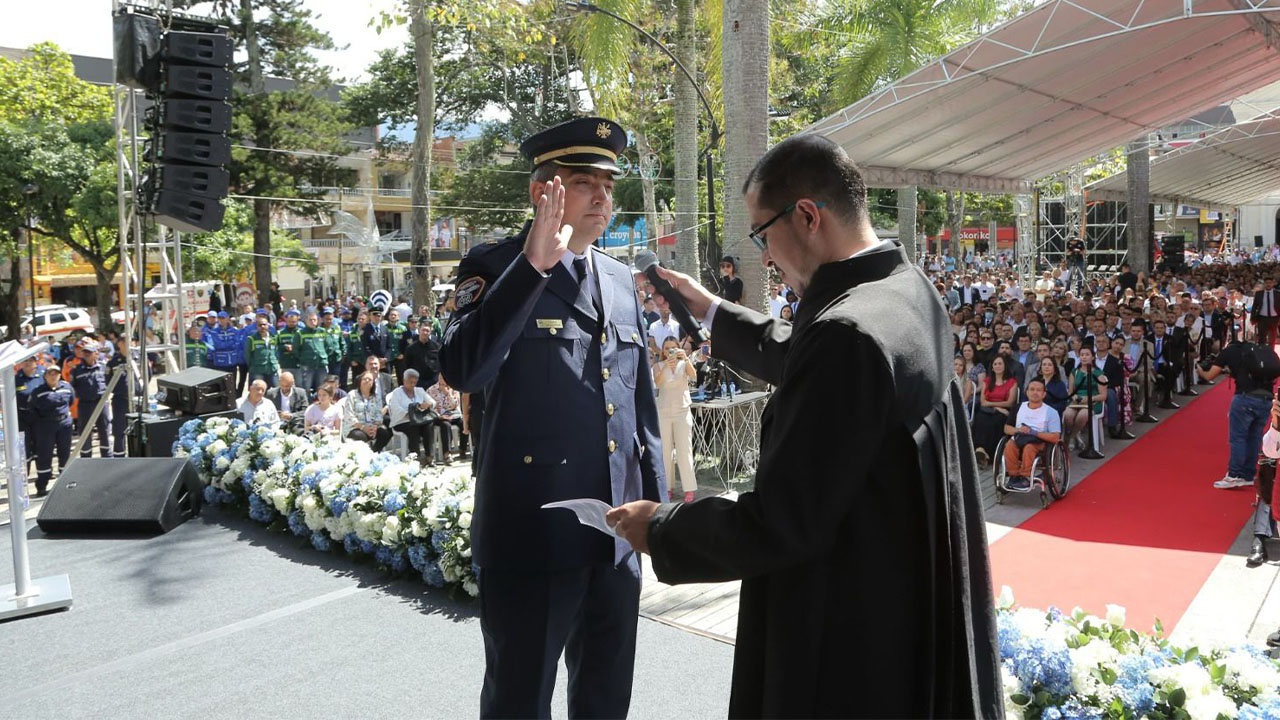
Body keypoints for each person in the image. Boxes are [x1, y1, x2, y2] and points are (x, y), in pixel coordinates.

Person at [606, 134, 999, 717]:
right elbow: (812, 360)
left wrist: (661, 527)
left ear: (808, 215)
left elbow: (782, 523)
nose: (763, 255)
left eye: (763, 234)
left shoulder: (847, 337)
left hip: (850, 634)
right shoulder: (905, 290)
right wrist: (711, 309)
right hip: (910, 604)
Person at [440, 116, 665, 719]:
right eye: (586, 180)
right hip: (532, 534)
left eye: (608, 183)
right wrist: (533, 270)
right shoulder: (493, 266)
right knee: (520, 699)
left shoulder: (618, 279)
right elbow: (464, 368)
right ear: (544, 192)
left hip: (615, 534)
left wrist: (657, 514)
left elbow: (639, 407)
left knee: (605, 698)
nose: (603, 196)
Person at [1196, 340, 1278, 490]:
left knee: (1238, 437)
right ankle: (1248, 474)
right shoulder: (1256, 351)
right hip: (1266, 398)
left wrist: (1199, 369)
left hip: (1245, 398)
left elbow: (1209, 376)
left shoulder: (1229, 351)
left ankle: (1234, 474)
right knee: (1254, 437)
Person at [652, 336, 698, 502]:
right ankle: (667, 487)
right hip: (664, 411)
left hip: (682, 411)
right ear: (663, 350)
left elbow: (693, 375)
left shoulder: (684, 363)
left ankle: (689, 489)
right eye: (666, 348)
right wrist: (665, 367)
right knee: (665, 452)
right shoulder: (658, 365)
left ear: (678, 348)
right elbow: (657, 383)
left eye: (673, 347)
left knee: (684, 450)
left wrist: (685, 359)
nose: (669, 351)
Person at [1001, 378, 1064, 491]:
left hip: (1039, 442)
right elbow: (1006, 428)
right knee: (1010, 445)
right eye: (1032, 389)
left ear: (1044, 394)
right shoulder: (1018, 407)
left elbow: (1055, 437)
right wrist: (1018, 430)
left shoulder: (1051, 412)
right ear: (1027, 392)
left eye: (1038, 390)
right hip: (1020, 437)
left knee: (1029, 448)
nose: (1035, 392)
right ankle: (1014, 476)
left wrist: (1034, 432)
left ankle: (1025, 477)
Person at [29, 365, 73, 497]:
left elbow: (70, 401)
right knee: (44, 455)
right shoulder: (38, 391)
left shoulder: (67, 387)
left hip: (64, 424)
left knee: (65, 453)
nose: (53, 376)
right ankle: (42, 485)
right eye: (50, 374)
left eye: (56, 373)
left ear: (60, 375)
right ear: (45, 376)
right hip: (45, 425)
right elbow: (32, 409)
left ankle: (65, 483)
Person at [972, 354, 1018, 466]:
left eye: (1000, 363)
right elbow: (983, 402)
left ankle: (988, 453)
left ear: (1004, 366)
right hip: (987, 409)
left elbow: (1010, 402)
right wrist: (997, 407)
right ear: (992, 367)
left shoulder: (1012, 382)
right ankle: (981, 450)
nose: (997, 366)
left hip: (1005, 411)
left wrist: (992, 404)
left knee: (996, 421)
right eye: (995, 364)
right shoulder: (987, 381)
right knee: (980, 419)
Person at [69, 339, 111, 459]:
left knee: (104, 430)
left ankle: (107, 457)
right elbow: (72, 388)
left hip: (101, 403)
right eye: (85, 352)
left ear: (96, 353)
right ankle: (86, 458)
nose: (87, 354)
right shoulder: (76, 370)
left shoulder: (103, 366)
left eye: (89, 352)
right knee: (85, 433)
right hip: (84, 404)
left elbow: (110, 381)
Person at [387, 368, 436, 467]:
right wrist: (410, 413)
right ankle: (415, 457)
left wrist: (427, 405)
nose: (413, 385)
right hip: (402, 420)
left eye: (415, 382)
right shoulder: (397, 392)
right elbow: (396, 409)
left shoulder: (419, 390)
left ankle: (429, 456)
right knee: (413, 427)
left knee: (428, 425)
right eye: (410, 382)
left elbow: (433, 402)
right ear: (404, 381)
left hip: (419, 419)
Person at [1063, 345, 1109, 450]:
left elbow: (1103, 395)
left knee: (1083, 415)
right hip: (1077, 400)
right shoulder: (1074, 372)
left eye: (1087, 355)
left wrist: (1089, 398)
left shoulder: (1098, 374)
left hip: (1093, 401)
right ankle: (1076, 434)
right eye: (1082, 355)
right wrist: (1074, 396)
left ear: (1092, 357)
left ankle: (1071, 437)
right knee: (1067, 415)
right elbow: (1070, 390)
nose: (1084, 357)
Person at [343, 371, 391, 450]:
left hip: (372, 427)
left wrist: (375, 427)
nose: (367, 381)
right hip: (355, 427)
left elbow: (379, 414)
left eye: (370, 379)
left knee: (384, 433)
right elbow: (349, 415)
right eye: (365, 379)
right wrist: (363, 427)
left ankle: (374, 453)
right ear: (360, 381)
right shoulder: (352, 394)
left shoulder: (376, 397)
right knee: (360, 436)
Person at [427, 375, 469, 463]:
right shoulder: (431, 390)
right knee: (445, 425)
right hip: (439, 416)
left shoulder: (454, 388)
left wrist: (447, 393)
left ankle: (463, 449)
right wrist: (439, 415)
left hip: (453, 414)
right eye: (441, 378)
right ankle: (447, 454)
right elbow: (430, 408)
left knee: (463, 423)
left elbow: (455, 404)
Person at [296, 311, 329, 394]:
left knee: (322, 388)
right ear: (306, 321)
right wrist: (304, 358)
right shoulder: (300, 333)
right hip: (307, 366)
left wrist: (323, 356)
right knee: (306, 388)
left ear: (317, 320)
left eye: (314, 320)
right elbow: (295, 350)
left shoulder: (322, 332)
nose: (312, 322)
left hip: (321, 365)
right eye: (310, 320)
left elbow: (328, 347)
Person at [244, 316, 280, 388]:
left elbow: (276, 351)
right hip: (257, 370)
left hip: (272, 369)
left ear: (268, 325)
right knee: (258, 390)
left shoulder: (274, 337)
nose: (262, 326)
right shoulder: (252, 339)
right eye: (260, 325)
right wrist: (252, 366)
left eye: (264, 324)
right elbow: (247, 355)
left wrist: (275, 362)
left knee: (275, 390)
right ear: (256, 327)